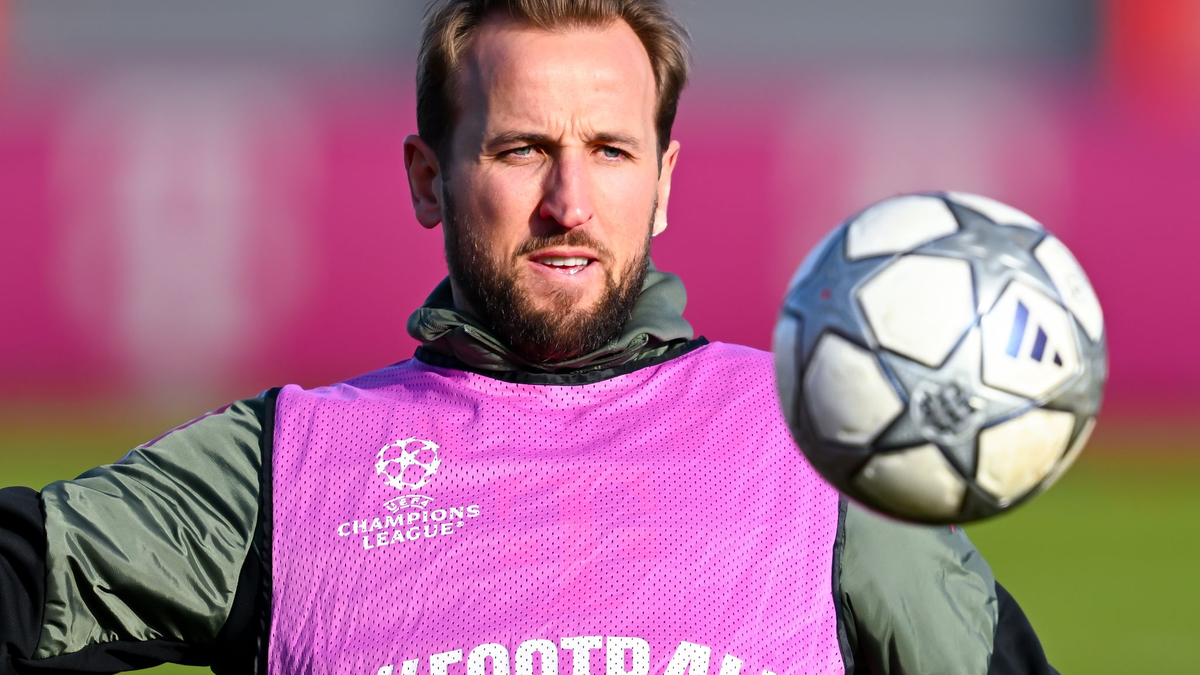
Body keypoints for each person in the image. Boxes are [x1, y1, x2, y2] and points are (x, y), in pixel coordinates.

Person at [0, 1, 1058, 673]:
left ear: (665, 183)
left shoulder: (818, 445)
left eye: (608, 149)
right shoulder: (281, 467)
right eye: (520, 150)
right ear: (429, 178)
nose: (570, 200)